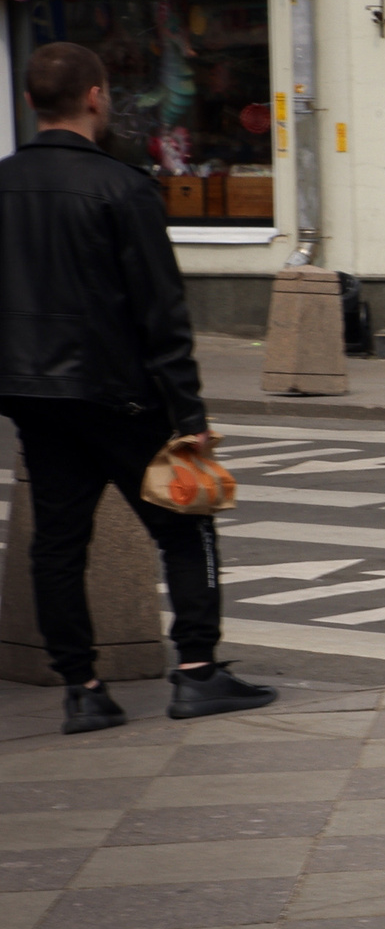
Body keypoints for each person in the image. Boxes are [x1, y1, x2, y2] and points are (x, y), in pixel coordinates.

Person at [0, 42, 277, 734]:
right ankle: (196, 672)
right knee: (185, 525)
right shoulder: (124, 189)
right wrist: (189, 414)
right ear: (97, 96)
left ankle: (83, 689)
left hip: (34, 397)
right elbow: (162, 312)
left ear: (33, 102)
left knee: (58, 546)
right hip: (123, 395)